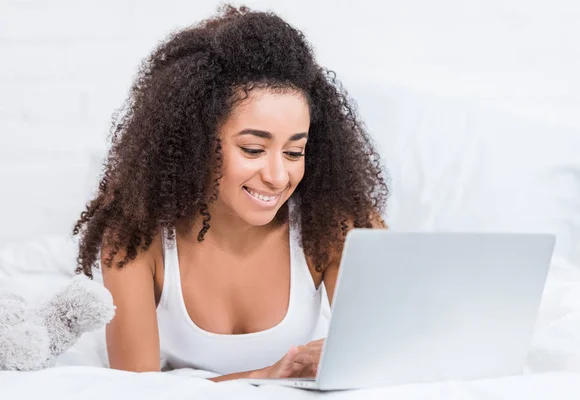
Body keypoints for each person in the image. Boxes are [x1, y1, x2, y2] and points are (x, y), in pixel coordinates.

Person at [72, 4, 389, 382]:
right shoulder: (135, 239)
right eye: (253, 150)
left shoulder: (333, 227)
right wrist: (266, 375)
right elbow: (136, 388)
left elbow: (389, 356)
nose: (276, 176)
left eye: (294, 152)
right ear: (195, 143)